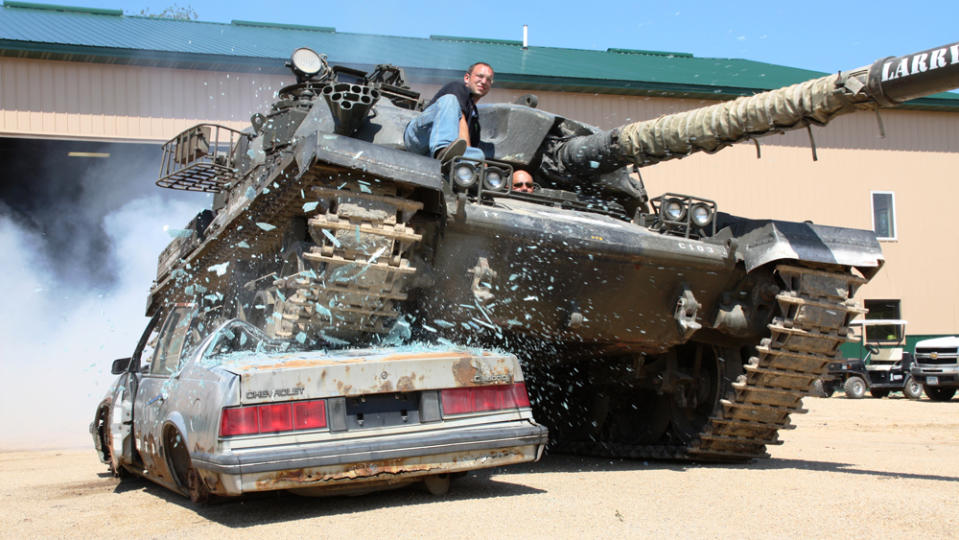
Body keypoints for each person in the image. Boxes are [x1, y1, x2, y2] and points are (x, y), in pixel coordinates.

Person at [404, 62, 494, 162]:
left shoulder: (475, 120)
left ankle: (448, 157)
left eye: (489, 79)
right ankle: (443, 149)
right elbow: (461, 121)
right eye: (480, 76)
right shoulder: (457, 88)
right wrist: (467, 159)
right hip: (418, 137)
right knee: (450, 100)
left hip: (429, 154)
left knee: (479, 155)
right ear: (467, 78)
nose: (484, 81)